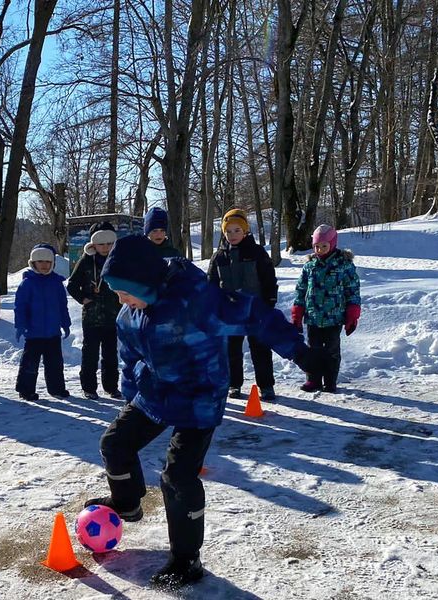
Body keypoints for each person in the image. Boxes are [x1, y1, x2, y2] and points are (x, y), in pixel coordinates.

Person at [82, 234, 325, 590]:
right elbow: (129, 358)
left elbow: (255, 315)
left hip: (199, 396)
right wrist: (131, 396)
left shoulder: (197, 301)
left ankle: (186, 560)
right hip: (155, 392)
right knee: (115, 443)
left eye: (124, 291)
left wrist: (301, 354)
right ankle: (127, 503)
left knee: (177, 476)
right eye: (116, 292)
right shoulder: (129, 316)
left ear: (146, 283)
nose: (120, 299)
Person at [208, 208, 278, 401]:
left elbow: (268, 279)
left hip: (255, 310)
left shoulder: (257, 253)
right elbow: (211, 284)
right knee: (231, 350)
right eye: (228, 231)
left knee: (260, 348)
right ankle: (234, 384)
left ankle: (266, 385)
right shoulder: (219, 256)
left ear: (245, 230)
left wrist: (269, 302)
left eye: (237, 230)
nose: (232, 235)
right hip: (230, 313)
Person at [291, 224, 361, 393]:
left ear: (333, 244)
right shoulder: (310, 266)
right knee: (313, 350)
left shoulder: (343, 265)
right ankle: (313, 380)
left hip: (334, 317)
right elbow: (301, 290)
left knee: (331, 351)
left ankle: (330, 381)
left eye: (324, 246)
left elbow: (352, 289)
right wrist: (297, 313)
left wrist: (352, 313)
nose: (320, 250)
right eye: (316, 246)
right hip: (313, 317)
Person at [67, 221, 122, 400]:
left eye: (109, 243)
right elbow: (72, 285)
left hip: (113, 316)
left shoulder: (118, 260)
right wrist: (83, 299)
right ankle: (89, 387)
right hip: (91, 318)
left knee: (110, 355)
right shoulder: (86, 261)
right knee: (90, 354)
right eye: (101, 244)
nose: (105, 247)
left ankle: (111, 387)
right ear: (93, 244)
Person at [14, 244, 71, 402]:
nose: (44, 265)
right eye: (40, 262)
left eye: (48, 262)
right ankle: (25, 390)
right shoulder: (27, 284)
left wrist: (65, 323)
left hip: (52, 333)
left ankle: (57, 388)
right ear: (33, 263)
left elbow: (62, 305)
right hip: (34, 333)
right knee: (30, 364)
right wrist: (20, 325)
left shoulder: (57, 283)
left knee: (55, 364)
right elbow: (20, 307)